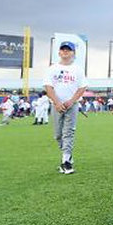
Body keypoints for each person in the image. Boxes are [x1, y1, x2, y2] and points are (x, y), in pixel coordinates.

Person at [44, 42, 88, 174]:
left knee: (68, 132)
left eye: (68, 50)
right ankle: (68, 154)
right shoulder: (52, 68)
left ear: (73, 53)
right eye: (63, 49)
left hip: (72, 105)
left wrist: (72, 101)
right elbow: (48, 86)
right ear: (59, 52)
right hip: (56, 104)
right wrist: (57, 102)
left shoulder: (78, 69)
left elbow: (82, 87)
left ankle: (66, 161)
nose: (65, 52)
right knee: (58, 134)